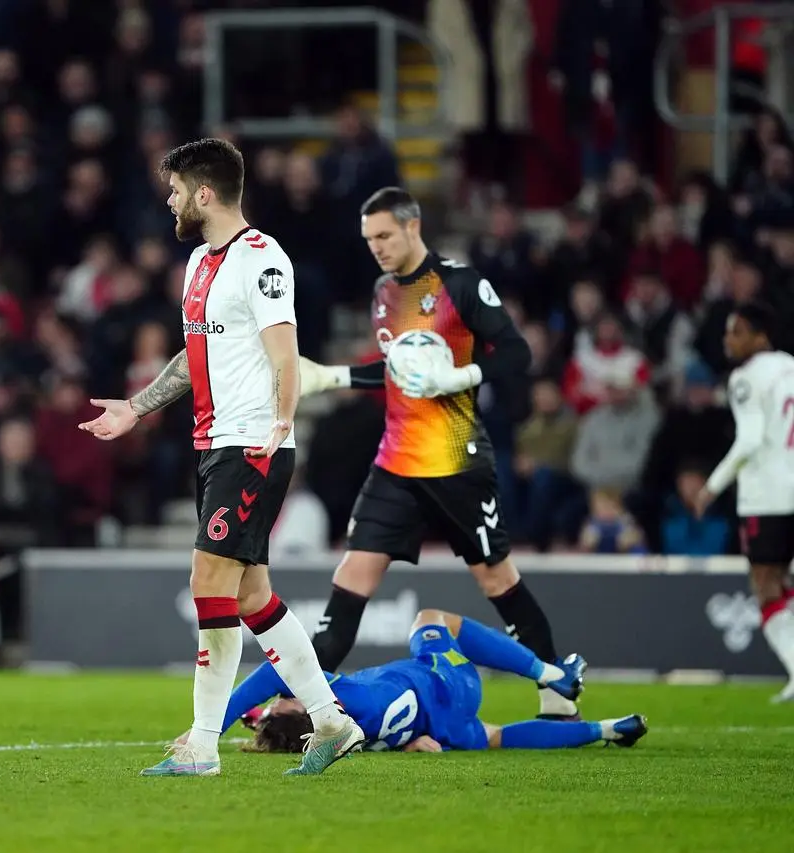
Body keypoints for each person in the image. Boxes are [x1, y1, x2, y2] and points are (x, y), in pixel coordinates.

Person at [78, 138, 365, 777]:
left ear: (205, 193)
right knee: (253, 596)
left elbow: (283, 347)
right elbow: (195, 355)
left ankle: (202, 747)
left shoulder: (262, 258)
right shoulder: (201, 265)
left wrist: (284, 416)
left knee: (208, 584)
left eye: (176, 190)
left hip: (252, 442)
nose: (171, 201)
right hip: (217, 445)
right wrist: (136, 406)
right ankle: (332, 720)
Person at [296, 188, 578, 721]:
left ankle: (557, 692)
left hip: (457, 463)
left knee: (496, 578)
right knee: (352, 575)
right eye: (368, 239)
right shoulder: (383, 293)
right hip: (395, 463)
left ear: (412, 226)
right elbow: (403, 370)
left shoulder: (461, 284)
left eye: (383, 235)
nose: (375, 247)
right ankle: (306, 703)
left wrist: (462, 375)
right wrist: (331, 377)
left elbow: (517, 351)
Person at [227, 608, 646, 756]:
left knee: (498, 737)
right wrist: (214, 720)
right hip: (446, 676)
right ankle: (554, 675)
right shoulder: (339, 695)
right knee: (433, 619)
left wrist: (266, 720)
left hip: (440, 727)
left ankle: (605, 730)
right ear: (307, 712)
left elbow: (287, 718)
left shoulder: (346, 741)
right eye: (287, 701)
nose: (285, 695)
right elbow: (273, 670)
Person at [696, 302, 794, 703]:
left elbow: (750, 440)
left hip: (767, 496)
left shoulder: (745, 378)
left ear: (760, 336)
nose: (728, 340)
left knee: (766, 585)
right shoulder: (790, 366)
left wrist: (711, 487)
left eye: (736, 332)